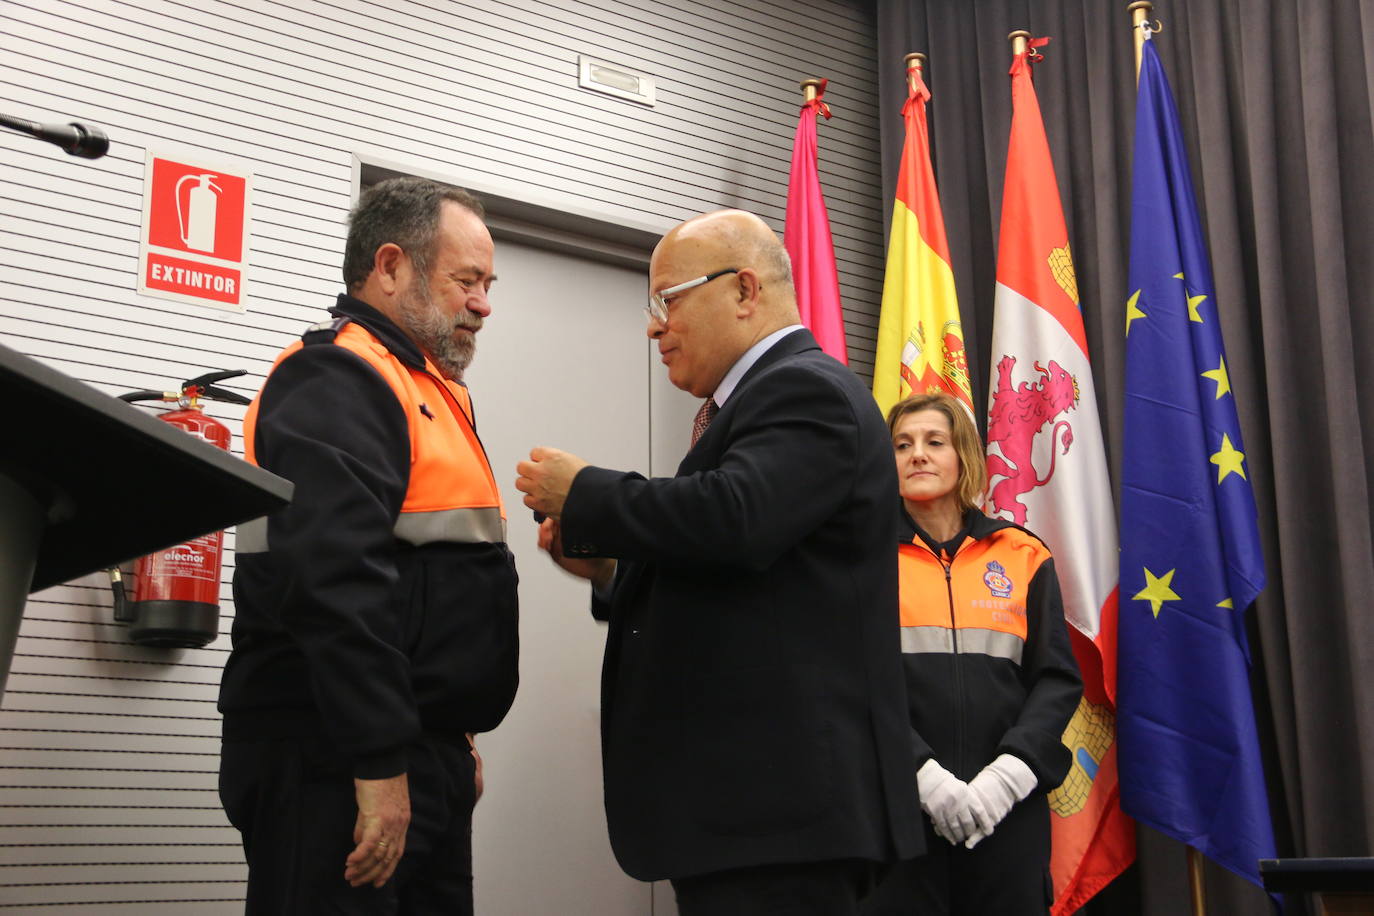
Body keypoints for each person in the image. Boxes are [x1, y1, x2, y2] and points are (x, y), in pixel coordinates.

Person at [515, 209, 924, 915]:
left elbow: (734, 518)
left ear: (743, 290)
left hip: (785, 821)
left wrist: (587, 494)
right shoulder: (760, 402)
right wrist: (615, 574)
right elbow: (745, 574)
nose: (653, 327)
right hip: (756, 821)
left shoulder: (808, 390)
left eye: (666, 300)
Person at [218, 176, 518, 914]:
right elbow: (335, 581)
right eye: (466, 280)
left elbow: (431, 588)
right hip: (335, 754)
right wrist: (381, 757)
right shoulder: (337, 378)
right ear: (390, 267)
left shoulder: (432, 389)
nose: (483, 303)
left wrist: (452, 733)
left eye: (488, 283)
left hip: (415, 747)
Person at [861, 392, 1082, 915]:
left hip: (1007, 817)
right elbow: (852, 683)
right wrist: (923, 778)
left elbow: (1056, 679)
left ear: (963, 455)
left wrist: (1007, 778)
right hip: (898, 816)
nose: (917, 455)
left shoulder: (1023, 554)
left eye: (934, 442)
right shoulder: (861, 561)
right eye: (901, 444)